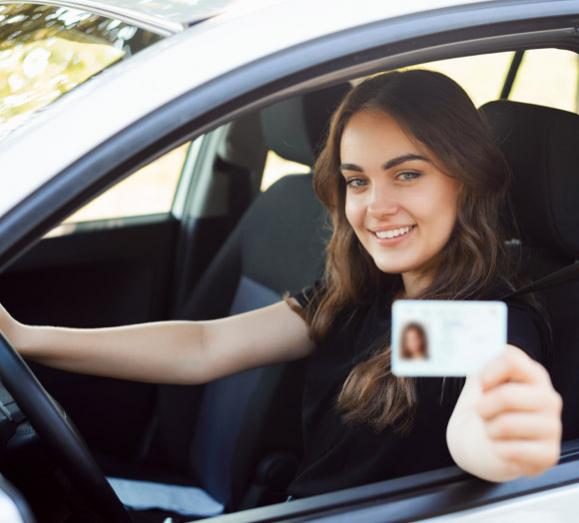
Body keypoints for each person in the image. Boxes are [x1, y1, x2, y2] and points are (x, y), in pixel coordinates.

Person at [0, 69, 562, 500]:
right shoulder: (371, 298)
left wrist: (505, 437)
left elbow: (482, 421)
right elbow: (205, 347)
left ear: (467, 179)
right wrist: (25, 339)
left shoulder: (480, 318)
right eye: (357, 181)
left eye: (407, 174)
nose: (375, 206)